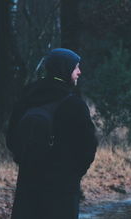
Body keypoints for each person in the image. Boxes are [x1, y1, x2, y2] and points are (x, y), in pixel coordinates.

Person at [6, 48, 98, 219]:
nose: (79, 72)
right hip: (62, 188)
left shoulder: (28, 95)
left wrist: (25, 161)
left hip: (28, 183)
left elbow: (11, 138)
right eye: (75, 67)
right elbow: (88, 146)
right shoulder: (74, 105)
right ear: (64, 69)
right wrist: (74, 174)